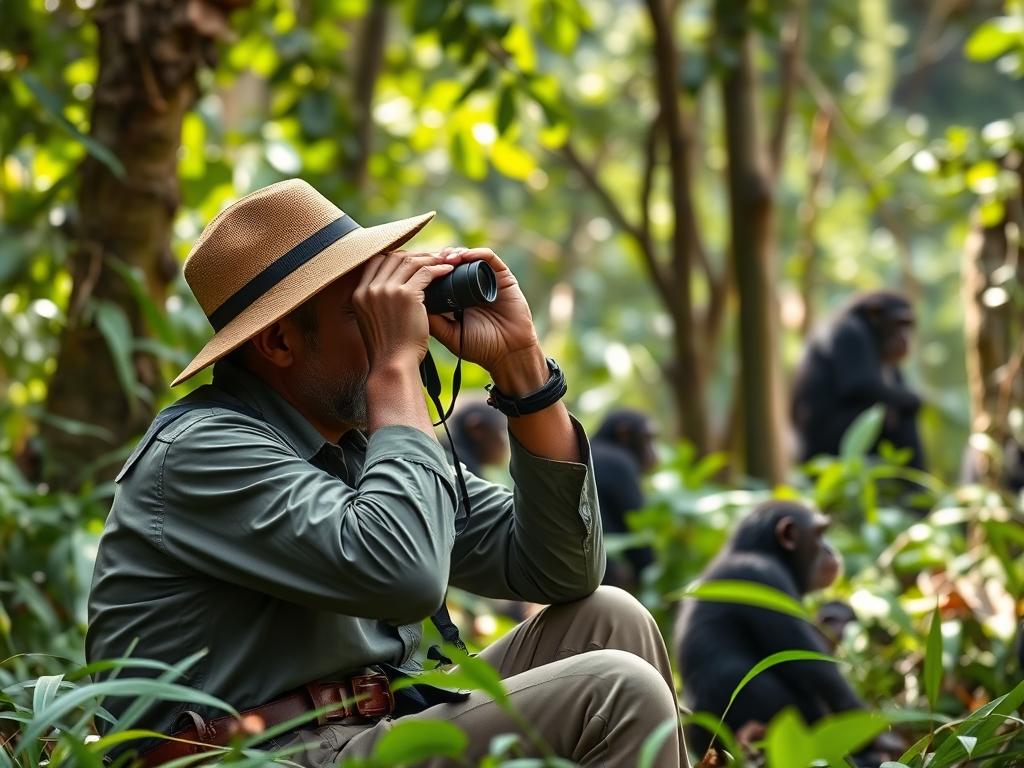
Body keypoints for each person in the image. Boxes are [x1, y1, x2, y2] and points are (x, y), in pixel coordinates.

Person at [85, 179, 687, 767]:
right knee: (615, 689)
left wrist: (520, 365)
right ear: (279, 342)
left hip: (360, 729)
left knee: (611, 620)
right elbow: (405, 576)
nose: (404, 331)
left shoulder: (349, 444)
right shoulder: (203, 452)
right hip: (260, 753)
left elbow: (559, 569)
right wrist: (396, 367)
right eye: (366, 315)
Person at [591, 409, 658, 590]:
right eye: (647, 440)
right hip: (602, 574)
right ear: (625, 434)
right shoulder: (617, 462)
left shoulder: (585, 451)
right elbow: (637, 526)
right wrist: (651, 577)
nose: (653, 453)